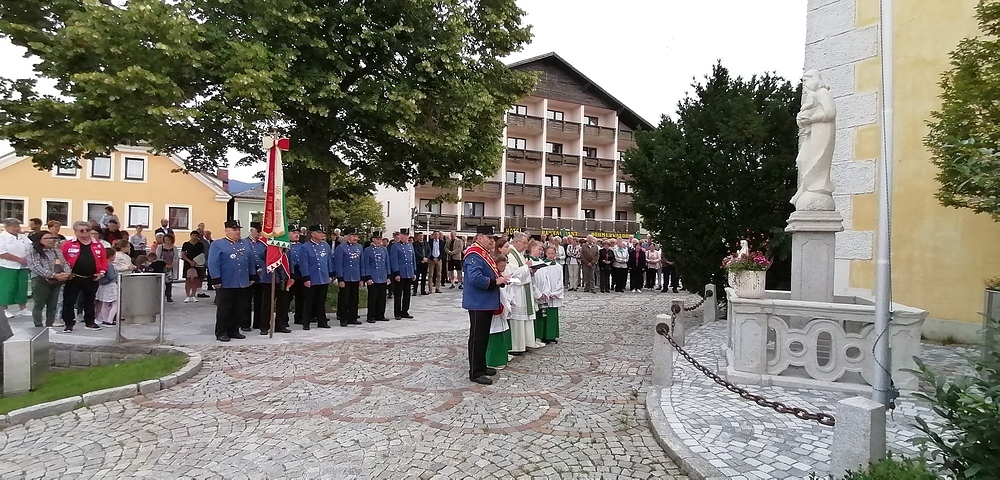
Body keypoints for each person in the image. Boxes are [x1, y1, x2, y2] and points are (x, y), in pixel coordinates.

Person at [463, 225, 508, 385]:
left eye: (493, 238)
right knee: (477, 337)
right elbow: (475, 278)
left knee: (483, 336)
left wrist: (501, 279)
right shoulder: (474, 254)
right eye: (489, 238)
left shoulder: (483, 253)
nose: (492, 241)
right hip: (478, 301)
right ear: (479, 237)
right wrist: (495, 282)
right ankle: (475, 372)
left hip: (485, 301)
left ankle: (481, 366)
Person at [208, 220, 257, 342]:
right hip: (226, 281)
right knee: (225, 309)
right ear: (226, 230)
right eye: (234, 230)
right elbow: (213, 263)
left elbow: (250, 260)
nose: (237, 232)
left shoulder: (245, 244)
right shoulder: (218, 244)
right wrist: (215, 279)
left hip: (242, 282)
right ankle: (222, 332)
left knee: (240, 308)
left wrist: (252, 276)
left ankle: (234, 330)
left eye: (238, 229)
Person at [61, 221, 108, 331]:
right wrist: (65, 273)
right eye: (81, 230)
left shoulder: (98, 245)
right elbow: (62, 259)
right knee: (69, 301)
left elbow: (104, 260)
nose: (85, 232)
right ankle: (68, 323)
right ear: (75, 232)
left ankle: (90, 322)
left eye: (87, 230)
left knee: (90, 301)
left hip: (91, 277)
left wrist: (101, 272)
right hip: (73, 277)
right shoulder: (68, 244)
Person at [505, 232, 540, 354]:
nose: (526, 246)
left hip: (524, 290)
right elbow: (512, 273)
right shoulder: (511, 253)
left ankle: (525, 343)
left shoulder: (519, 253)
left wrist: (530, 270)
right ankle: (516, 346)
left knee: (525, 318)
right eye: (524, 243)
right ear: (517, 242)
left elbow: (523, 270)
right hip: (517, 291)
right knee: (517, 319)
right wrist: (526, 267)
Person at [28, 231, 70, 327]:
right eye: (47, 238)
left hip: (56, 281)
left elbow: (64, 264)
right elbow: (35, 266)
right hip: (40, 280)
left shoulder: (57, 251)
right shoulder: (33, 251)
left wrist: (67, 273)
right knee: (39, 304)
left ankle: (49, 325)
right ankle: (38, 325)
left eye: (52, 238)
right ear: (40, 240)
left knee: (53, 305)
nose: (51, 240)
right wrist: (53, 275)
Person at [257, 234, 294, 335]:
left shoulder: (284, 241)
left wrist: (291, 275)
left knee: (283, 303)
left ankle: (280, 325)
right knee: (267, 304)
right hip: (269, 277)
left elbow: (289, 260)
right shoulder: (264, 241)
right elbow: (261, 256)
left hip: (283, 277)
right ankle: (264, 327)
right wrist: (273, 248)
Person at [299, 224, 335, 330]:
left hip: (323, 277)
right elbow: (304, 264)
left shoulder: (325, 246)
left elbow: (329, 261)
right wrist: (306, 278)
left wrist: (331, 274)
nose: (322, 235)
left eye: (322, 233)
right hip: (312, 277)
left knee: (321, 301)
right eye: (319, 233)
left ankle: (322, 321)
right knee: (309, 301)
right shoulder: (305, 247)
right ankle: (306, 322)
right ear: (313, 234)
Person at [0, 218, 33, 320]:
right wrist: (18, 259)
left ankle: (23, 308)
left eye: (18, 226)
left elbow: (31, 247)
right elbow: (2, 253)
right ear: (7, 227)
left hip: (23, 266)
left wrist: (26, 258)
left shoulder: (22, 237)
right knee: (7, 287)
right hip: (8, 266)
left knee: (22, 287)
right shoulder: (2, 237)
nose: (17, 228)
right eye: (14, 226)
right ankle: (3, 308)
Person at [485, 253, 512, 370]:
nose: (503, 268)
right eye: (501, 266)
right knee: (494, 333)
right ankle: (493, 361)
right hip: (495, 309)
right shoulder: (494, 278)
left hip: (501, 309)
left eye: (505, 266)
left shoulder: (501, 276)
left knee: (501, 332)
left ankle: (501, 358)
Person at [533, 245, 563, 345]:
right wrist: (546, 292)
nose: (550, 255)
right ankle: (542, 335)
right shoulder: (542, 265)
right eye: (549, 253)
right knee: (543, 314)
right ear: (546, 253)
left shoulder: (558, 266)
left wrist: (556, 293)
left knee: (552, 315)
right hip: (545, 293)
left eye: (552, 253)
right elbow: (542, 280)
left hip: (554, 294)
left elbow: (560, 281)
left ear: (555, 254)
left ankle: (551, 335)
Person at [334, 228, 363, 326]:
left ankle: (353, 317)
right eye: (353, 236)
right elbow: (338, 264)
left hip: (356, 276)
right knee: (344, 299)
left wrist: (362, 278)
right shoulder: (341, 248)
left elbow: (361, 264)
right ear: (348, 237)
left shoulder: (359, 247)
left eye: (357, 236)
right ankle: (343, 318)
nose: (355, 238)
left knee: (354, 299)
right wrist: (340, 278)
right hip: (345, 277)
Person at [274, 228, 302, 332]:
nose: (297, 235)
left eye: (298, 233)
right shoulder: (284, 246)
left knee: (300, 298)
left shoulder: (301, 246)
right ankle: (283, 320)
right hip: (285, 275)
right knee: (286, 299)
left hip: (299, 275)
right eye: (294, 233)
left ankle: (299, 317)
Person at [243, 222, 268, 332]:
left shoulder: (262, 244)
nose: (259, 234)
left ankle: (258, 322)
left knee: (260, 300)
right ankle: (245, 323)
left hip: (261, 275)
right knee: (246, 301)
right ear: (251, 230)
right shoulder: (244, 243)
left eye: (260, 231)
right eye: (257, 231)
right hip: (249, 275)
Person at [361, 233, 390, 323]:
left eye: (380, 239)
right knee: (373, 298)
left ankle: (380, 315)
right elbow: (366, 264)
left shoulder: (384, 249)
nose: (379, 241)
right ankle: (371, 316)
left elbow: (387, 263)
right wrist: (367, 277)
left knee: (382, 297)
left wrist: (388, 275)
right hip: (373, 276)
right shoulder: (367, 250)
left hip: (382, 275)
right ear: (373, 239)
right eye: (377, 239)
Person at [389, 229, 416, 320]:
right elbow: (394, 260)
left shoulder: (410, 245)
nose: (406, 237)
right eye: (404, 235)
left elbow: (413, 259)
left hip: (409, 272)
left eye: (407, 235)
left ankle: (405, 311)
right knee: (398, 294)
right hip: (400, 273)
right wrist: (396, 273)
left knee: (407, 294)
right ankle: (397, 312)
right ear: (400, 236)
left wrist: (414, 272)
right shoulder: (395, 246)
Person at [95, 247, 122, 326]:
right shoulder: (110, 265)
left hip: (103, 285)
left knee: (105, 303)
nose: (115, 257)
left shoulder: (101, 265)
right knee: (116, 303)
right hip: (111, 285)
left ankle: (105, 319)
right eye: (114, 255)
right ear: (110, 256)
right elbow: (111, 276)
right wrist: (116, 276)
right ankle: (110, 320)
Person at [181, 231, 206, 303]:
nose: (194, 237)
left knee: (195, 280)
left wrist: (195, 262)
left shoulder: (200, 244)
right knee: (188, 280)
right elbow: (183, 254)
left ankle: (193, 295)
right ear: (190, 235)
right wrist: (189, 261)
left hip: (197, 263)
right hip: (188, 263)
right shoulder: (186, 244)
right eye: (193, 235)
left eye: (196, 236)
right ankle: (188, 295)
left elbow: (202, 254)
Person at [155, 234, 179, 302]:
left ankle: (169, 296)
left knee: (169, 283)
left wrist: (172, 264)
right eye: (166, 240)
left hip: (171, 267)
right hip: (162, 267)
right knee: (161, 282)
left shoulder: (174, 248)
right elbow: (158, 257)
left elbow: (176, 257)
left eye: (169, 240)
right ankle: (160, 296)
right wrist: (164, 265)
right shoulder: (160, 247)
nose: (167, 241)